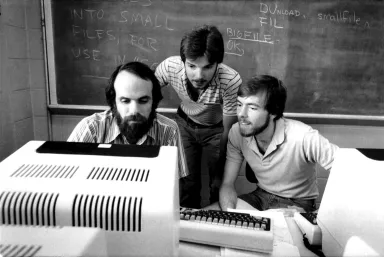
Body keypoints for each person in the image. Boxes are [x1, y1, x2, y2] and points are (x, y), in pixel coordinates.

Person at [208, 75, 338, 213]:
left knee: (269, 233)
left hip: (297, 205)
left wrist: (315, 216)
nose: (241, 114)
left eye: (252, 108)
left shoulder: (304, 137)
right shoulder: (237, 132)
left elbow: (351, 173)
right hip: (260, 196)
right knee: (205, 217)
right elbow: (227, 184)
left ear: (274, 111)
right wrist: (231, 217)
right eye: (239, 105)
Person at [155, 24, 242, 208]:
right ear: (183, 60)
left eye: (208, 66)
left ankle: (216, 225)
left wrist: (221, 167)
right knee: (187, 182)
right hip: (184, 125)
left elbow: (229, 127)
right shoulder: (170, 67)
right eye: (192, 66)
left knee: (217, 184)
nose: (199, 75)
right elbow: (147, 93)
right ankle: (187, 227)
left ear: (218, 63)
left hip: (217, 130)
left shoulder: (230, 79)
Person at [68, 61, 188, 179]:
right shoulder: (91, 129)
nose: (134, 110)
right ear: (113, 102)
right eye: (125, 101)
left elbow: (174, 185)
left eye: (143, 101)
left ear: (154, 101)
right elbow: (65, 179)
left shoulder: (169, 131)